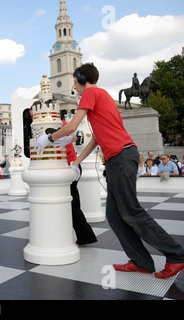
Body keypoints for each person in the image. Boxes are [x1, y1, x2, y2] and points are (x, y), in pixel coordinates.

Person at [33, 62, 184, 279]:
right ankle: (141, 261)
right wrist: (76, 162)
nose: (74, 86)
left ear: (82, 79)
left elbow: (73, 126)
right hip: (120, 157)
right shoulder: (102, 96)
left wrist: (48, 138)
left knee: (131, 211)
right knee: (114, 216)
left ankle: (177, 255)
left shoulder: (91, 93)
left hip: (121, 156)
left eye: (75, 82)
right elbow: (96, 138)